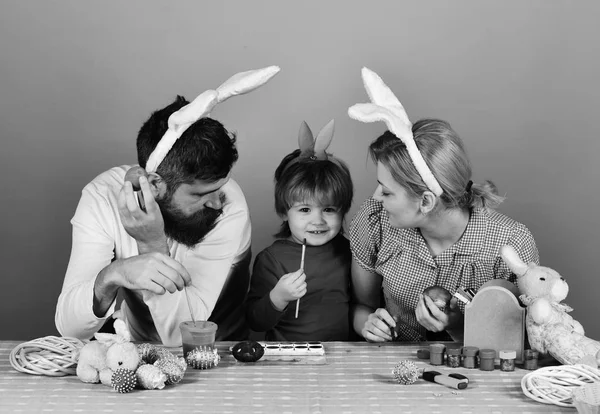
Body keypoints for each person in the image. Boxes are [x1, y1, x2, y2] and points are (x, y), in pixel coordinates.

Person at [55, 66, 280, 346]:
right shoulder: (102, 197)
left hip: (221, 355)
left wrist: (151, 244)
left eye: (220, 186)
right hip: (136, 353)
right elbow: (71, 330)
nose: (216, 201)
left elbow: (179, 337)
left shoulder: (229, 205)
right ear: (155, 184)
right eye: (200, 194)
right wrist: (114, 274)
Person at [347, 68, 539, 343]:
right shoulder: (373, 220)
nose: (376, 197)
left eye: (387, 192)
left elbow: (522, 341)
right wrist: (367, 323)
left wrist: (459, 327)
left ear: (425, 201)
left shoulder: (510, 246)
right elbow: (361, 306)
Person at [246, 120, 354, 341]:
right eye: (305, 209)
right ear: (285, 212)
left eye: (329, 209)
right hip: (287, 359)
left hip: (342, 357)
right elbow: (255, 321)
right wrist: (278, 297)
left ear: (343, 211)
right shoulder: (271, 260)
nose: (318, 220)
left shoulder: (351, 252)